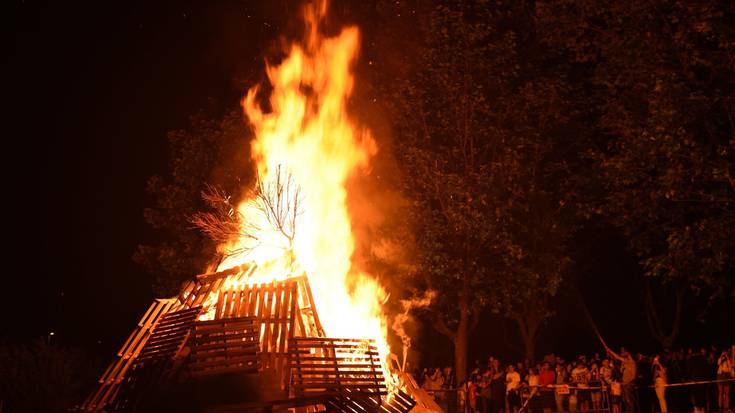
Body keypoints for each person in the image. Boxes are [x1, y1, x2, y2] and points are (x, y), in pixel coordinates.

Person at [607, 347, 637, 413]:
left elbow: (633, 376)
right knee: (625, 400)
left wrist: (626, 383)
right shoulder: (626, 362)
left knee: (629, 400)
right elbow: (617, 357)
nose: (622, 354)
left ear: (629, 355)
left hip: (629, 384)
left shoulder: (632, 363)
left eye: (624, 352)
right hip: (625, 384)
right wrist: (610, 351)